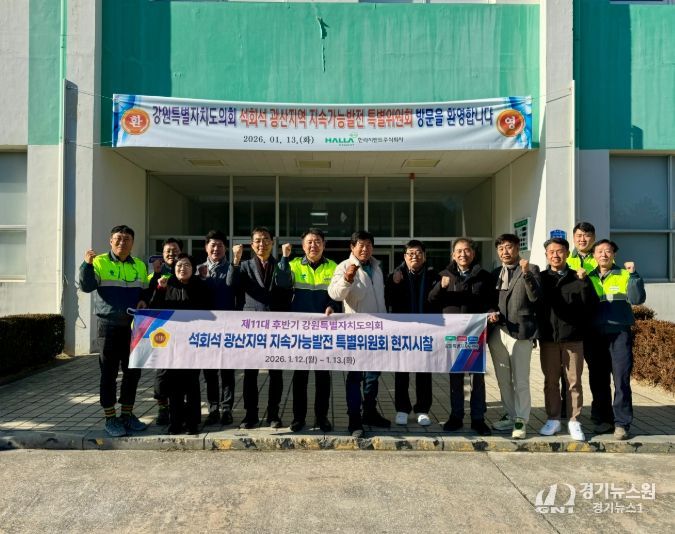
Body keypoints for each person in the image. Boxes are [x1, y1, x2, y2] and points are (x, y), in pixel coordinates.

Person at [78, 225, 149, 437]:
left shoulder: (139, 265)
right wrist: (86, 264)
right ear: (111, 241)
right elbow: (86, 286)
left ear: (132, 243)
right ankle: (110, 417)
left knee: (133, 371)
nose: (122, 242)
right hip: (108, 326)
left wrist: (144, 300)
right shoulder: (99, 261)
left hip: (134, 327)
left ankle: (127, 413)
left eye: (127, 239)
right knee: (108, 373)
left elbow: (145, 291)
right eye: (118, 238)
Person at [428, 238, 495, 436]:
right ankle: (456, 416)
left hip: (475, 334)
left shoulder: (484, 276)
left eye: (466, 250)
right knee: (456, 378)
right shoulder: (443, 275)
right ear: (453, 255)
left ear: (473, 254)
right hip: (453, 335)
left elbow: (490, 302)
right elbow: (431, 300)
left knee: (477, 379)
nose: (463, 254)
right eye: (458, 251)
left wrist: (491, 312)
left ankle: (478, 419)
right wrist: (440, 286)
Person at [276, 229, 339, 433]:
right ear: (303, 246)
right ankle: (298, 418)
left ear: (324, 245)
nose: (314, 245)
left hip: (324, 331)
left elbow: (338, 295)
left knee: (323, 377)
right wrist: (284, 258)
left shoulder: (333, 266)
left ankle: (322, 417)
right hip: (300, 332)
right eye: (310, 242)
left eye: (318, 241)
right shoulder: (293, 264)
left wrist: (333, 306)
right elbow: (281, 283)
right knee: (300, 377)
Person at [328, 230, 390, 438]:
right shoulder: (344, 266)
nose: (365, 249)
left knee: (373, 376)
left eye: (369, 245)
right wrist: (347, 279)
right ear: (352, 247)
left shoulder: (377, 268)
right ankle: (354, 418)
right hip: (355, 332)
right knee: (355, 377)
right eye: (361, 245)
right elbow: (335, 294)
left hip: (378, 331)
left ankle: (370, 412)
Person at [537, 238, 599, 442]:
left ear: (566, 253)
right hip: (549, 339)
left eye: (560, 251)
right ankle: (553, 419)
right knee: (551, 381)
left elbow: (591, 305)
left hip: (573, 338)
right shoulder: (541, 278)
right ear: (546, 255)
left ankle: (574, 420)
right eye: (551, 252)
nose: (555, 255)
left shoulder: (578, 277)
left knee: (574, 381)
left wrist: (584, 283)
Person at [227, 226, 289, 429]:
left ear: (272, 242)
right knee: (251, 373)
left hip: (276, 326)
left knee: (276, 373)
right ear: (252, 245)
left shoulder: (280, 264)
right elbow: (231, 284)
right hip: (251, 326)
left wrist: (285, 259)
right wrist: (235, 261)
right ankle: (250, 415)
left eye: (266, 240)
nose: (262, 244)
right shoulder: (244, 265)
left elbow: (286, 287)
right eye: (257, 240)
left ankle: (273, 414)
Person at [587, 239, 646, 440]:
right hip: (594, 334)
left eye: (608, 251)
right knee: (598, 378)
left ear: (614, 255)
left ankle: (621, 423)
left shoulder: (625, 274)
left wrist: (634, 275)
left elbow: (637, 299)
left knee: (621, 379)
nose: (603, 254)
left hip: (619, 332)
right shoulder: (588, 276)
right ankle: (604, 420)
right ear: (594, 256)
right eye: (599, 251)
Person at [487, 233, 541, 439]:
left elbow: (535, 297)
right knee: (503, 379)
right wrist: (490, 312)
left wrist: (526, 274)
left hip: (521, 332)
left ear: (518, 248)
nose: (505, 252)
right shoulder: (495, 273)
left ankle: (521, 419)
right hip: (497, 332)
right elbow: (490, 301)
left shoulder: (531, 269)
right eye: (501, 248)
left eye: (509, 247)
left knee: (521, 380)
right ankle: (510, 414)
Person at [149, 254, 210, 435]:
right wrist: (160, 289)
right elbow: (154, 309)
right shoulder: (167, 285)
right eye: (179, 265)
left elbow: (208, 311)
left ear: (193, 268)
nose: (182, 268)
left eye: (186, 265)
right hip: (172, 344)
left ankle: (192, 422)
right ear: (174, 269)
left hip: (193, 343)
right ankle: (175, 421)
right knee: (174, 385)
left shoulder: (200, 286)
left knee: (191, 384)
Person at [385, 239, 438, 427]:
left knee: (424, 372)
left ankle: (422, 410)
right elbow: (387, 300)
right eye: (410, 253)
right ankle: (402, 409)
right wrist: (394, 283)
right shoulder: (395, 275)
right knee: (402, 371)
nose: (414, 256)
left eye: (418, 253)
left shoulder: (433, 275)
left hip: (426, 331)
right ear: (404, 256)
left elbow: (438, 300)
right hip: (403, 332)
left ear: (424, 256)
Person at [198, 230, 238, 427]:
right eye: (212, 245)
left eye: (220, 245)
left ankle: (226, 409)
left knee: (227, 371)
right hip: (205, 329)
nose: (216, 249)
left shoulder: (233, 268)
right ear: (206, 247)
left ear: (225, 248)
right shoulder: (197, 270)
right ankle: (213, 409)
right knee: (210, 373)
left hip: (227, 327)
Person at [147, 237, 183, 426]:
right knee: (162, 372)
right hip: (162, 331)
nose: (171, 254)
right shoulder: (156, 274)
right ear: (162, 254)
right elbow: (150, 301)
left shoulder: (186, 270)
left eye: (175, 250)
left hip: (183, 331)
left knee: (183, 372)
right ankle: (162, 407)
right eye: (168, 251)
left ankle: (180, 407)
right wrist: (158, 282)